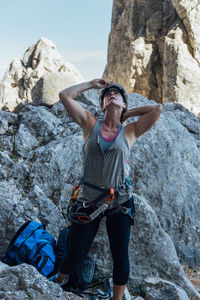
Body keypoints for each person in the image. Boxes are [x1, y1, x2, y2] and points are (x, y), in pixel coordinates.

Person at [54, 79, 163, 300]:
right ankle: (56, 284)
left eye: (117, 94)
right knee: (75, 253)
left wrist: (128, 113)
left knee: (120, 255)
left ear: (123, 104)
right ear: (102, 105)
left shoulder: (130, 131)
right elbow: (65, 95)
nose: (112, 95)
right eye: (107, 95)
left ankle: (116, 299)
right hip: (88, 199)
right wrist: (92, 84)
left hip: (120, 200)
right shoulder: (89, 123)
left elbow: (157, 109)